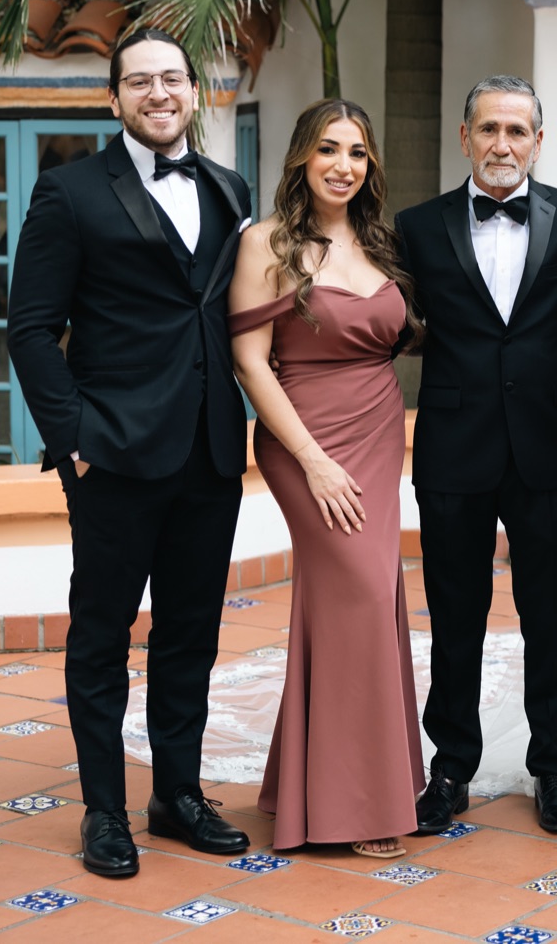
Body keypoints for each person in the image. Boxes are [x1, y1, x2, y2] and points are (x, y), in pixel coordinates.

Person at [7, 27, 252, 877]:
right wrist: (72, 438)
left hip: (211, 449)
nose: (159, 93)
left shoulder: (229, 186)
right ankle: (104, 811)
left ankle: (177, 795)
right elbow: (31, 329)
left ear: (193, 93)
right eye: (139, 81)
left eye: (172, 79)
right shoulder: (69, 191)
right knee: (103, 634)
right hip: (110, 455)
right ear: (114, 99)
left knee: (192, 633)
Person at [394, 76, 557, 836]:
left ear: (538, 141)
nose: (503, 144)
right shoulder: (417, 225)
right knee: (456, 614)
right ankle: (450, 766)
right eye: (489, 129)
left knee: (549, 616)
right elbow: (386, 316)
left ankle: (552, 767)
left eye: (518, 131)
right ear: (464, 136)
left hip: (547, 443)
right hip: (453, 445)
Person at [228, 99, 425, 858]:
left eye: (358, 152)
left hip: (377, 435)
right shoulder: (267, 242)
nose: (344, 165)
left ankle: (310, 787)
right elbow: (251, 361)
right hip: (306, 439)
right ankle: (360, 805)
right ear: (301, 159)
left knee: (365, 600)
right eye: (329, 150)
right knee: (361, 596)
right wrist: (312, 461)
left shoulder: (380, 241)